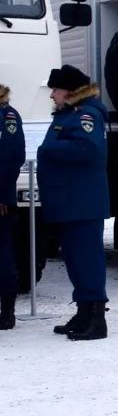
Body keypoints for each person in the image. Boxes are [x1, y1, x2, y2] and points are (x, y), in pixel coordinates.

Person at [38, 65, 110, 340]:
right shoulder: (70, 114)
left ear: (68, 91)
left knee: (86, 260)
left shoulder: (86, 115)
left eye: (55, 90)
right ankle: (83, 312)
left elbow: (87, 149)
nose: (52, 95)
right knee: (75, 261)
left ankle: (95, 318)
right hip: (69, 202)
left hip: (81, 202)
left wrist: (48, 150)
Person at [0, 84, 24, 331]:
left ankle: (7, 311)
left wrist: (4, 196)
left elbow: (11, 157)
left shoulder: (7, 116)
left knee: (3, 256)